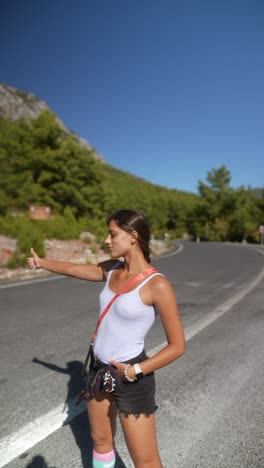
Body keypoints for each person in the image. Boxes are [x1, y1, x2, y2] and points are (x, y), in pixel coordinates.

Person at [27, 209, 185, 468]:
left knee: (145, 460)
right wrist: (44, 263)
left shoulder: (157, 285)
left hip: (131, 376)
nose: (106, 240)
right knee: (100, 441)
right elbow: (74, 269)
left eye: (113, 234)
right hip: (98, 371)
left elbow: (178, 345)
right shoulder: (113, 269)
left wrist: (135, 370)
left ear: (133, 236)